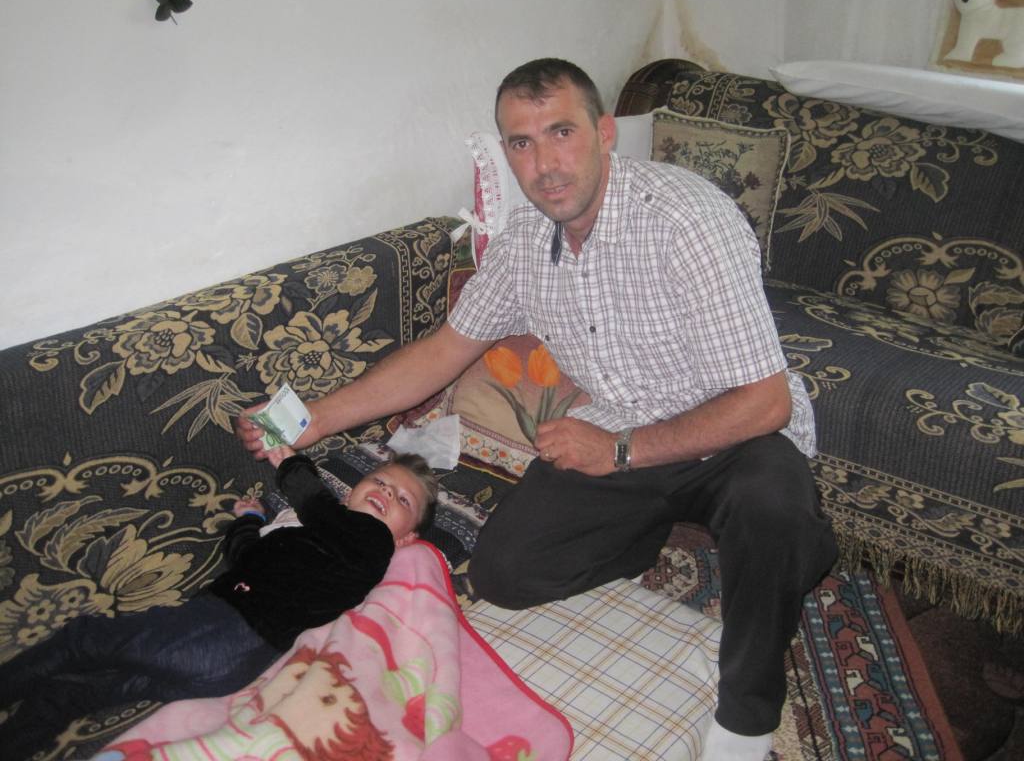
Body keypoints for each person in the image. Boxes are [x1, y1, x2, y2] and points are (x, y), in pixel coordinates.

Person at [236, 57, 837, 760]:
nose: (545, 163)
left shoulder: (687, 219)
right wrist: (314, 419)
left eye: (561, 132)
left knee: (771, 509)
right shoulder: (524, 242)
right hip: (624, 430)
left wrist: (617, 452)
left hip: (735, 433)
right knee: (507, 574)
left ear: (604, 133)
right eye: (522, 142)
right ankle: (658, 525)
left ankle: (748, 712)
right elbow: (444, 351)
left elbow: (764, 401)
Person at [0, 447, 437, 761]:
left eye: (403, 500)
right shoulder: (316, 538)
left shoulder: (372, 544)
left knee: (83, 639)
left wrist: (291, 463)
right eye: (380, 482)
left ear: (407, 538)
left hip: (225, 627)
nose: (387, 493)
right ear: (352, 492)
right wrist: (249, 522)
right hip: (229, 662)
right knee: (73, 692)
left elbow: (314, 502)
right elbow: (249, 558)